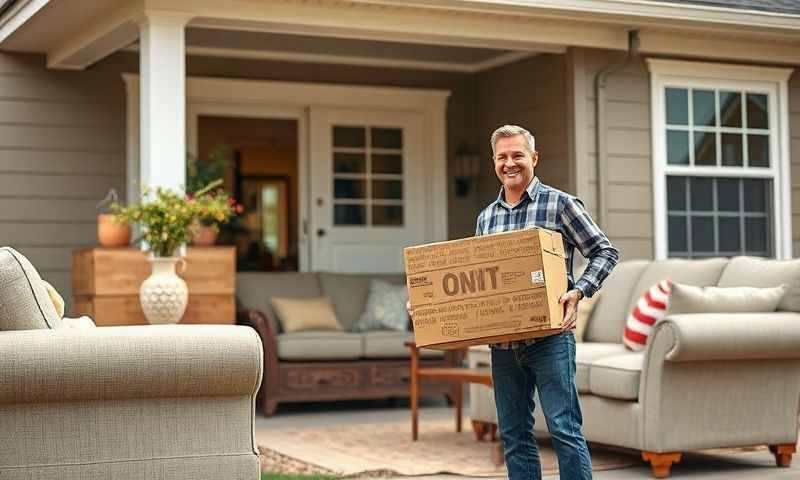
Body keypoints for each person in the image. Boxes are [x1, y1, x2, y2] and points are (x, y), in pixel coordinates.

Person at [411, 125, 619, 479]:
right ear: (495, 161)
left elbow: (604, 251)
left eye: (518, 155)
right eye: (502, 157)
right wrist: (430, 306)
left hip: (550, 339)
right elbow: (475, 285)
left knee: (564, 430)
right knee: (514, 435)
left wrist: (579, 290)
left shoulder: (561, 204)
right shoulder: (486, 217)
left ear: (533, 158)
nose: (510, 163)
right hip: (503, 345)